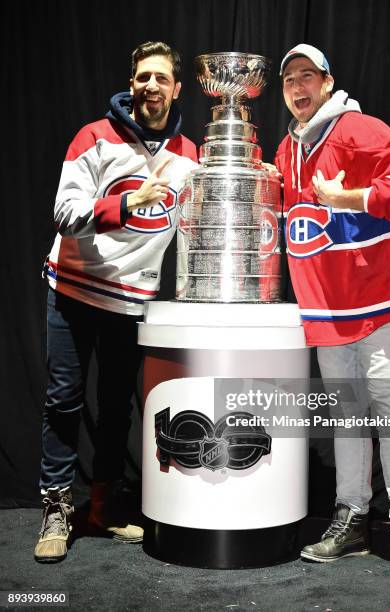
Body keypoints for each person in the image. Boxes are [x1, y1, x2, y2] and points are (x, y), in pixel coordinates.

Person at [35, 41, 198, 563]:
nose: (150, 85)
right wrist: (128, 202)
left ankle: (103, 506)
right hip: (75, 288)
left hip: (131, 300)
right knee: (64, 399)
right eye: (142, 77)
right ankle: (57, 508)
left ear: (176, 88)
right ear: (132, 84)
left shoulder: (189, 154)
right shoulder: (95, 136)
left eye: (160, 78)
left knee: (115, 409)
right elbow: (64, 212)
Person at [274, 44, 390, 584]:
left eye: (307, 76)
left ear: (327, 81)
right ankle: (352, 519)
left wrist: (354, 199)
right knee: (346, 417)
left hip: (378, 300)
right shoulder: (284, 150)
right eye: (289, 79)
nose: (298, 86)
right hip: (326, 309)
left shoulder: (359, 128)